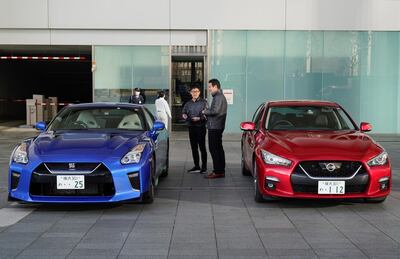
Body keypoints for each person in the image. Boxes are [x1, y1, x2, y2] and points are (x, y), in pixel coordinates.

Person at [202, 79, 227, 179]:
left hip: (215, 126)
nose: (209, 89)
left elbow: (215, 111)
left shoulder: (218, 97)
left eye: (210, 87)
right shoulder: (219, 96)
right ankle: (220, 170)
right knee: (218, 149)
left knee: (214, 149)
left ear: (215, 86)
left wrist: (205, 112)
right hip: (217, 126)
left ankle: (217, 171)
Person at [182, 85, 208, 174]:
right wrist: (185, 116)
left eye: (197, 91)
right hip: (191, 127)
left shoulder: (204, 102)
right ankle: (196, 166)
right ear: (190, 93)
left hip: (201, 127)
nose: (195, 93)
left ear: (199, 92)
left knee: (202, 147)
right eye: (193, 91)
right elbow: (184, 113)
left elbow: (206, 114)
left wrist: (199, 118)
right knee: (194, 148)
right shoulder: (188, 103)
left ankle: (204, 167)